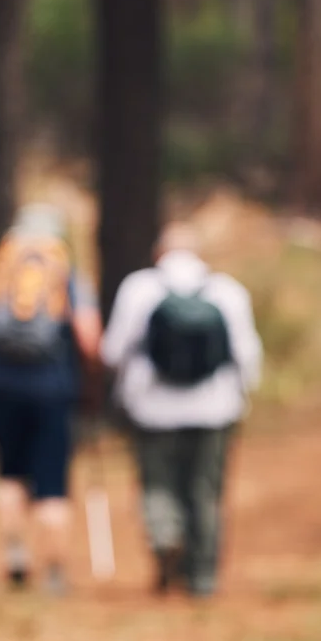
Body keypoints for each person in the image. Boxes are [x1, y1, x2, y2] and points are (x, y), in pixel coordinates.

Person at [99, 222, 262, 598]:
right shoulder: (227, 291)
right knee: (205, 490)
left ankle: (165, 537)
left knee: (157, 483)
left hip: (152, 410)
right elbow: (247, 355)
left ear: (160, 254)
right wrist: (242, 398)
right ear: (201, 255)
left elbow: (112, 352)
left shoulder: (139, 288)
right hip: (215, 409)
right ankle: (202, 577)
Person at [0, 205, 102, 595]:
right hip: (53, 389)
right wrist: (90, 380)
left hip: (2, 386)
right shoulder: (67, 273)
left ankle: (16, 557)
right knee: (52, 484)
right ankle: (54, 572)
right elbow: (89, 337)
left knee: (9, 474)